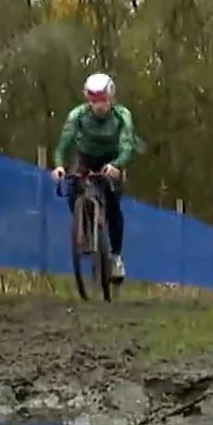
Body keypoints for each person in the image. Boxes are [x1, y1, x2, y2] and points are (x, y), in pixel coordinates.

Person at [51, 73, 139, 280]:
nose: (98, 106)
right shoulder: (78, 115)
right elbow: (62, 145)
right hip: (85, 158)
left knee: (113, 204)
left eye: (102, 101)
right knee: (72, 190)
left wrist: (117, 165)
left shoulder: (122, 115)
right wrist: (59, 167)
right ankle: (85, 231)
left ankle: (116, 257)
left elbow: (126, 145)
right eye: (93, 101)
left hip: (112, 160)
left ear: (111, 98)